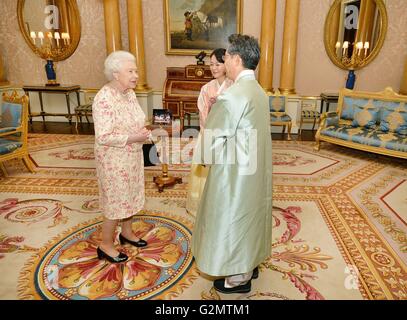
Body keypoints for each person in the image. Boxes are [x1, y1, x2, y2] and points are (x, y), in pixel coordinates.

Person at [191, 34, 273, 294]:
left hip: (235, 171)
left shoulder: (233, 95)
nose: (223, 59)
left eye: (225, 56)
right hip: (255, 166)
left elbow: (213, 139)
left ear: (236, 59)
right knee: (252, 212)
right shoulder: (258, 90)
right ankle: (249, 262)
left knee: (233, 216)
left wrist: (203, 158)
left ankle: (239, 277)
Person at [92, 51, 152, 263]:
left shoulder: (130, 93)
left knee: (130, 195)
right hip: (113, 160)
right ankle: (106, 244)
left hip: (132, 156)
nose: (136, 75)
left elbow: (136, 121)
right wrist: (135, 136)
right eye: (131, 71)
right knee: (116, 201)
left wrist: (145, 133)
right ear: (116, 74)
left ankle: (126, 233)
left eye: (136, 70)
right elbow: (104, 136)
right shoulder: (104, 98)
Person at [186, 48, 233, 216]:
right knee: (205, 171)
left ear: (226, 64)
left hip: (228, 137)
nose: (213, 68)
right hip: (209, 134)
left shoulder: (234, 86)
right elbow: (203, 115)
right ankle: (202, 206)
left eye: (218, 64)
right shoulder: (206, 88)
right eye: (211, 64)